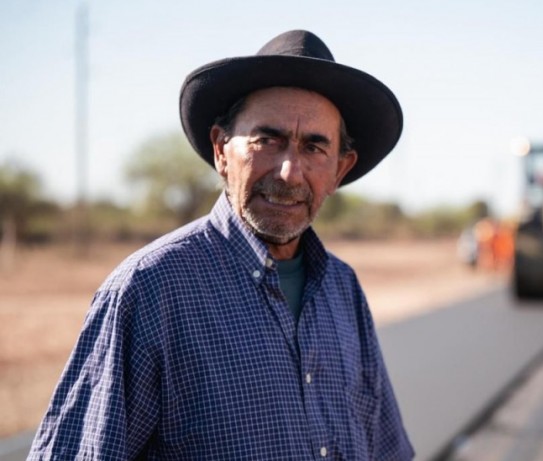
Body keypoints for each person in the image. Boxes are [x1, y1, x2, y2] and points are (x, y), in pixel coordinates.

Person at [28, 30, 414, 460]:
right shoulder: (151, 291)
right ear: (221, 151)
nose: (289, 172)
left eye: (314, 147)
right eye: (267, 140)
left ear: (341, 169)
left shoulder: (343, 290)